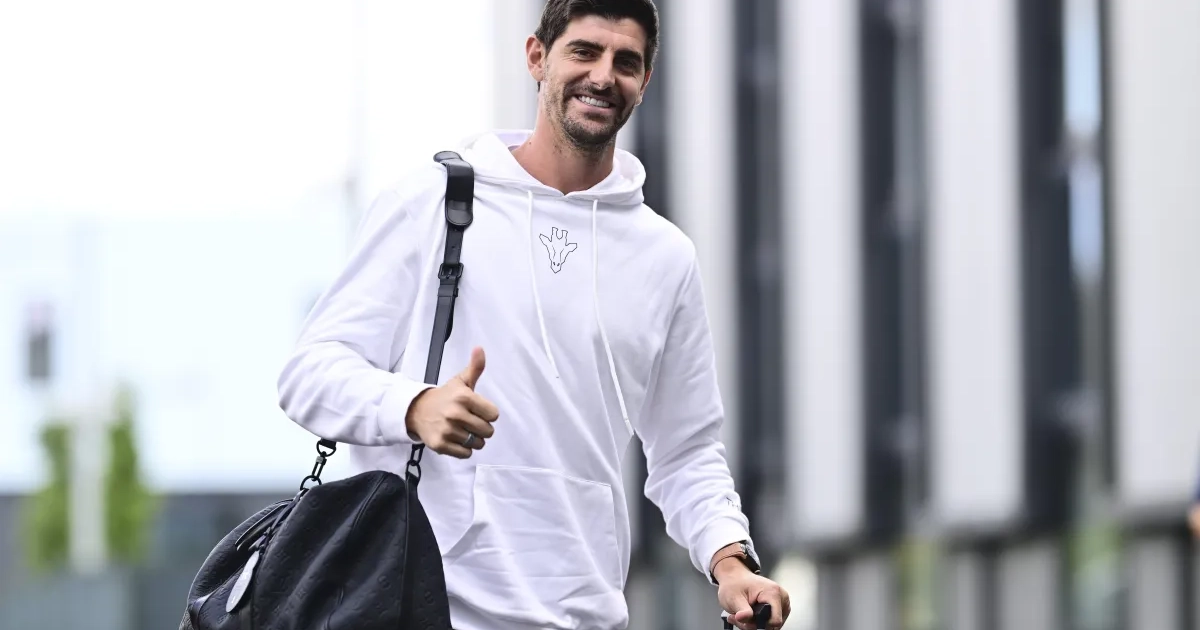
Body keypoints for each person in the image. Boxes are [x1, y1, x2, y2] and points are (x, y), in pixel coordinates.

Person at [276, 0, 790, 628]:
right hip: (425, 607)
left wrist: (730, 561)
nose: (603, 76)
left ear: (645, 81)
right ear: (537, 57)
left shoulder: (665, 256)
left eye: (625, 62)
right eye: (584, 52)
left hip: (583, 612)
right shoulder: (430, 205)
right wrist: (414, 406)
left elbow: (687, 450)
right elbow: (309, 373)